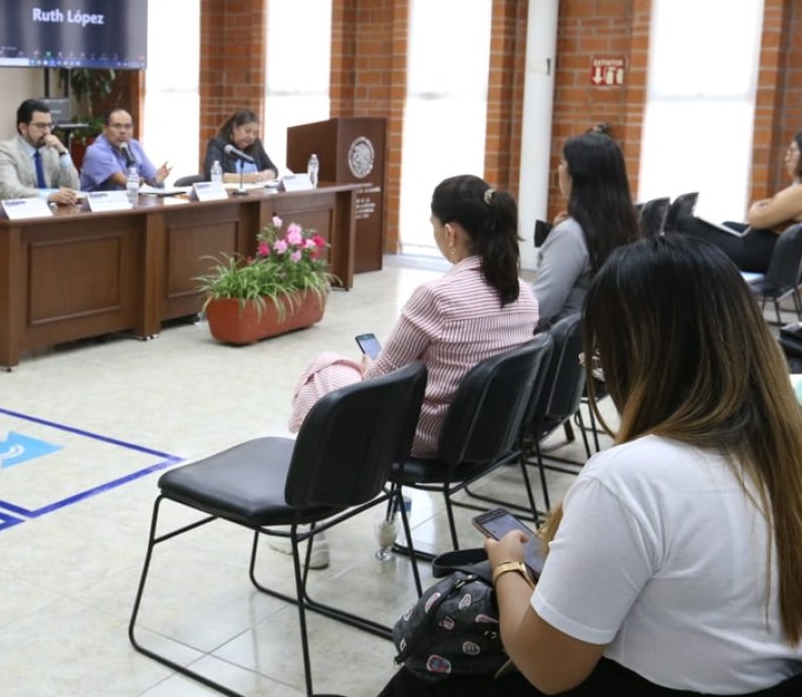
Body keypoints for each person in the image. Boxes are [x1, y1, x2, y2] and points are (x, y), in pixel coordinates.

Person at [470, 234, 802, 696]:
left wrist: (506, 564)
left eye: (602, 359)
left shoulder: (628, 480)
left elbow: (547, 668)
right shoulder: (785, 445)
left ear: (637, 358)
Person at [288, 175, 538, 456]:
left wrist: (370, 366)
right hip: (488, 431)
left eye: (433, 226)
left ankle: (319, 481)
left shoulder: (438, 297)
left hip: (426, 434)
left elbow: (376, 384)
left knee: (325, 368)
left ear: (450, 233)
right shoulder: (525, 295)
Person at [532, 132, 639, 330]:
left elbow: (540, 307)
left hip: (560, 345)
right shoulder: (623, 223)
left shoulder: (570, 234)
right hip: (596, 338)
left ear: (578, 175)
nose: (559, 169)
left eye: (563, 162)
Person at [676, 131, 802, 273]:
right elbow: (769, 210)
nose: (787, 158)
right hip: (763, 251)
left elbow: (756, 219)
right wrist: (767, 205)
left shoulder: (798, 193)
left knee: (685, 223)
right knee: (726, 225)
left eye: (792, 151)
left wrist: (758, 206)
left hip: (754, 254)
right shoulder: (796, 191)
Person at [0, 98, 80, 205]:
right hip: (8, 217)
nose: (47, 131)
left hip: (46, 216)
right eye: (41, 126)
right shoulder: (4, 151)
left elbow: (73, 189)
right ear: (23, 128)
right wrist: (50, 196)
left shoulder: (51, 150)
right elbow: (10, 191)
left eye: (49, 125)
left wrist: (63, 152)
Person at [80, 108, 171, 192]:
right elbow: (128, 183)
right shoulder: (96, 152)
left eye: (127, 127)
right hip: (98, 208)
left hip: (128, 205)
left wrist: (157, 180)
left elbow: (154, 179)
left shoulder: (134, 146)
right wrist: (146, 181)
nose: (123, 131)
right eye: (117, 126)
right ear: (105, 129)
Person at [202, 108, 277, 184]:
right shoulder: (217, 144)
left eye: (255, 133)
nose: (251, 137)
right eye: (247, 131)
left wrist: (266, 174)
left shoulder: (256, 144)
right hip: (229, 194)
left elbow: (273, 169)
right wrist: (246, 178)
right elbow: (210, 175)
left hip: (256, 193)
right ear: (235, 128)